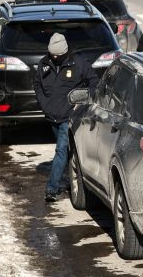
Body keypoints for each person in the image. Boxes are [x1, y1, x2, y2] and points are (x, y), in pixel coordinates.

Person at [32, 33, 98, 203]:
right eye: (52, 54)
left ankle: (51, 188)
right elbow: (37, 84)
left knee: (61, 150)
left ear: (65, 51)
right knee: (66, 150)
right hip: (52, 116)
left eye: (58, 55)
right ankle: (72, 175)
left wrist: (81, 102)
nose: (54, 57)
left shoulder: (79, 63)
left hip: (69, 116)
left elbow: (94, 83)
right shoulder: (44, 64)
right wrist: (44, 104)